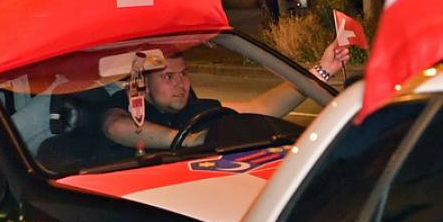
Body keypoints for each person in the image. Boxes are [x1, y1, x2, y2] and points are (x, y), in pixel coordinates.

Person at [103, 41, 350, 150]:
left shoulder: (193, 108)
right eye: (168, 77)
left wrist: (322, 71)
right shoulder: (124, 106)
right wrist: (189, 140)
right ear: (143, 83)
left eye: (183, 74)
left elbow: (260, 108)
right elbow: (116, 127)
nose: (181, 84)